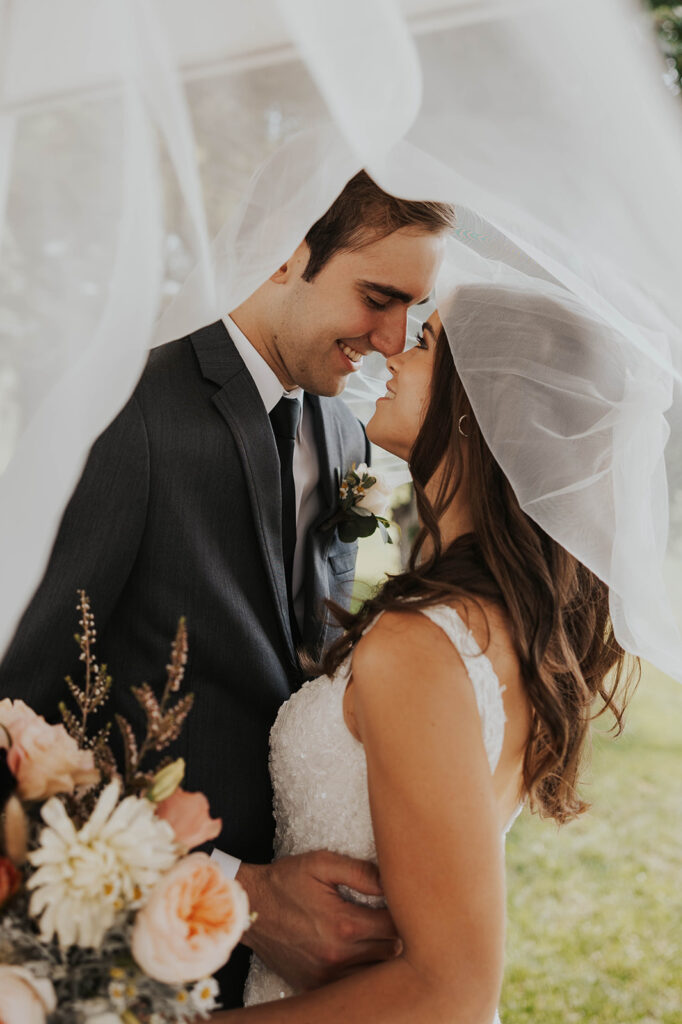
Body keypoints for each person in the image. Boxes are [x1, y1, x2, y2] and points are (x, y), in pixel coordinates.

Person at [0, 172, 454, 1006]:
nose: (393, 340)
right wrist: (233, 888)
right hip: (127, 948)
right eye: (378, 297)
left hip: (295, 962)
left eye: (412, 313)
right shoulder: (121, 407)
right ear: (286, 253)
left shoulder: (344, 431)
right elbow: (12, 720)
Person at [212, 287, 639, 1022]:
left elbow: (449, 992)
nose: (395, 354)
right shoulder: (505, 624)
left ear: (478, 405)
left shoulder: (423, 644)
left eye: (428, 342)